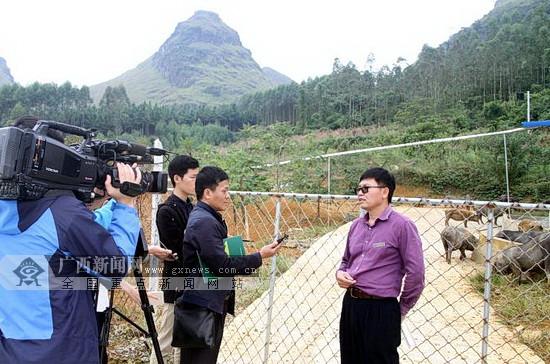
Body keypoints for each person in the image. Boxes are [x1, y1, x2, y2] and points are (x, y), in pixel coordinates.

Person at [0, 161, 142, 364]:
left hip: (11, 351)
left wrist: (107, 204)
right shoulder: (63, 213)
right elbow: (115, 268)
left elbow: (67, 236)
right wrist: (126, 205)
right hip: (64, 352)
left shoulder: (10, 208)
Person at [178, 166, 281, 364]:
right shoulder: (204, 222)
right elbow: (221, 264)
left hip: (205, 303)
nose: (228, 196)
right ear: (208, 193)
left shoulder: (207, 217)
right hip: (202, 306)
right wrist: (259, 256)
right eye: (224, 190)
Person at [336, 167, 425, 364]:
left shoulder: (402, 226)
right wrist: (340, 273)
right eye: (358, 189)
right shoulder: (356, 226)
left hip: (381, 310)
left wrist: (400, 310)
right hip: (351, 306)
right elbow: (345, 261)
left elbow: (416, 274)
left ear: (385, 192)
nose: (360, 193)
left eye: (366, 188)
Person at [150, 155, 199, 364]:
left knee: (185, 341)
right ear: (177, 178)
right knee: (167, 339)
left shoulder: (193, 207)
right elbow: (179, 248)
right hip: (177, 282)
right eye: (193, 177)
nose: (197, 182)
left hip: (194, 282)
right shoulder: (167, 210)